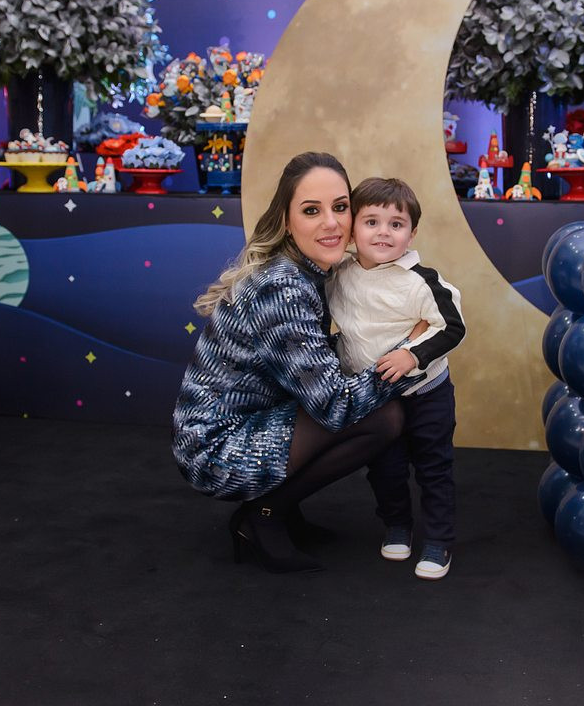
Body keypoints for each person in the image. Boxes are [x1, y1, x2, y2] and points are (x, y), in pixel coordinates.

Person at [173, 152, 414, 573]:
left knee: (365, 401)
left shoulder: (310, 270)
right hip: (214, 448)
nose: (332, 223)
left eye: (340, 207)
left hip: (251, 418)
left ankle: (283, 511)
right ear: (286, 221)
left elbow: (311, 367)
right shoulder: (281, 287)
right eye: (311, 211)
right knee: (384, 418)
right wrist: (411, 351)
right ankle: (265, 514)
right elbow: (334, 405)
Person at [326, 177, 465, 580]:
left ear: (412, 233)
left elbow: (452, 327)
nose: (383, 233)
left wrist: (412, 355)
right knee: (385, 468)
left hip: (425, 394)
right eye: (371, 222)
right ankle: (397, 525)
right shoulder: (339, 274)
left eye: (396, 224)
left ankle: (438, 540)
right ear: (353, 228)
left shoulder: (422, 281)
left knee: (433, 468)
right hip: (375, 398)